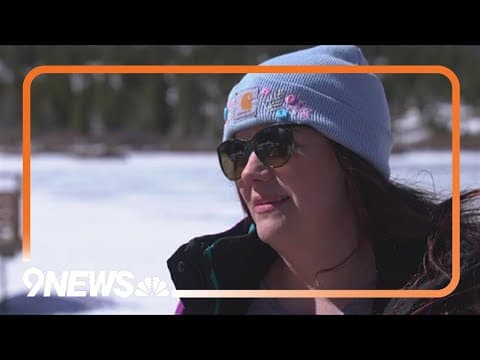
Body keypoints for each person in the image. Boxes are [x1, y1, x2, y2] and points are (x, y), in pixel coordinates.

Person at [167, 45, 480, 315]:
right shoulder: (212, 292)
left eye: (274, 145)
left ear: (349, 159)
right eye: (236, 152)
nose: (249, 171)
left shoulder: (454, 294)